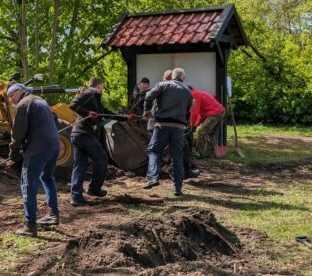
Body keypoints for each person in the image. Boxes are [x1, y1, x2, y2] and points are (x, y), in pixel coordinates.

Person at [69, 77, 136, 206]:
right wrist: (87, 112)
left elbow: (104, 113)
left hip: (78, 135)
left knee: (80, 166)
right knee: (102, 159)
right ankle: (94, 189)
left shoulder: (95, 98)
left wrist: (125, 117)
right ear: (99, 86)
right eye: (102, 86)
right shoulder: (89, 93)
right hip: (84, 134)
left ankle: (76, 197)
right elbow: (72, 105)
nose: (103, 88)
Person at [8, 83, 61, 237]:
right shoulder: (41, 101)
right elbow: (55, 120)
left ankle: (30, 226)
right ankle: (53, 214)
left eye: (12, 95)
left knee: (28, 185)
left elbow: (17, 133)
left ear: (20, 91)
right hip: (54, 146)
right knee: (47, 178)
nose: (11, 100)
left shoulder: (24, 104)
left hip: (37, 149)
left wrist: (13, 152)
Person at [142, 68, 193, 196]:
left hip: (162, 125)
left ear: (172, 76)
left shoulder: (162, 85)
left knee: (154, 151)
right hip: (179, 128)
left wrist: (147, 111)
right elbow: (188, 109)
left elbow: (148, 96)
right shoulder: (187, 91)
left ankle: (153, 177)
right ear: (183, 78)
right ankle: (177, 188)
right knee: (177, 157)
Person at [189, 87, 225, 158]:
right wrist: (196, 124)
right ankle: (211, 153)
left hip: (214, 113)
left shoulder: (194, 95)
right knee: (209, 134)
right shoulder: (199, 93)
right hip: (219, 112)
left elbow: (195, 113)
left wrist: (192, 125)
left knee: (201, 132)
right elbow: (201, 115)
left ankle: (200, 153)